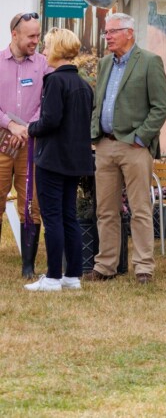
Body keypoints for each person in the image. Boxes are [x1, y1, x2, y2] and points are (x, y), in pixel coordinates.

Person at [87, 12, 166, 284]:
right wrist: (94, 134)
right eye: (106, 32)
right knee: (106, 210)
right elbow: (99, 103)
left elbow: (161, 105)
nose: (107, 36)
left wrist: (141, 137)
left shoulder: (149, 62)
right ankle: (105, 266)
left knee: (140, 208)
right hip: (105, 145)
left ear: (129, 33)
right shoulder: (103, 64)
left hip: (134, 147)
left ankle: (144, 267)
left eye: (112, 31)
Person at [24, 28, 94, 292]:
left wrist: (31, 128)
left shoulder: (54, 81)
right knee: (69, 217)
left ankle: (53, 277)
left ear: (57, 49)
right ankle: (72, 275)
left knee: (52, 218)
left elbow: (50, 121)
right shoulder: (84, 85)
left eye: (46, 46)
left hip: (52, 159)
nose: (43, 51)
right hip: (75, 160)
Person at [0, 11, 50, 278]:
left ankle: (28, 267)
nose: (35, 40)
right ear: (15, 34)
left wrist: (29, 126)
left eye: (38, 35)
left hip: (31, 143)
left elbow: (48, 101)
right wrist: (11, 124)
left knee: (31, 203)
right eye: (31, 36)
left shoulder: (43, 64)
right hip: (2, 142)